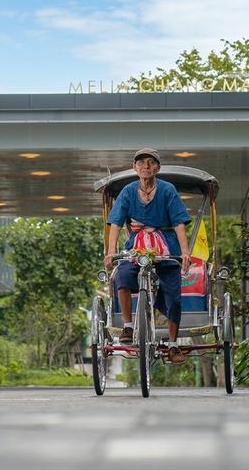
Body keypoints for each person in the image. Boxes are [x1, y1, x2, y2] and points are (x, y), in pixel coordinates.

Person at [104, 148, 191, 363]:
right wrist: (110, 251)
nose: (146, 167)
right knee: (122, 275)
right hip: (136, 245)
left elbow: (179, 223)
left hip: (167, 245)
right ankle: (127, 326)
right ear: (135, 168)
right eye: (141, 163)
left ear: (157, 168)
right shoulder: (127, 191)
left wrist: (186, 253)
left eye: (151, 163)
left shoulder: (167, 190)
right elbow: (115, 223)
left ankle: (172, 344)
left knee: (174, 296)